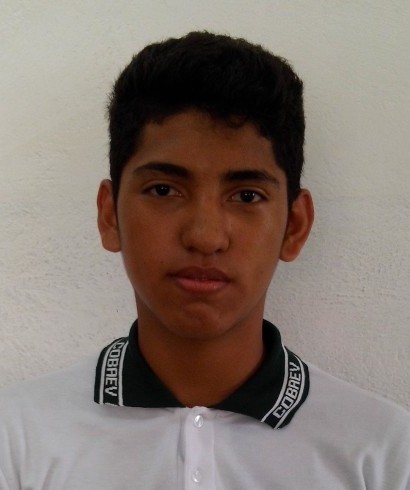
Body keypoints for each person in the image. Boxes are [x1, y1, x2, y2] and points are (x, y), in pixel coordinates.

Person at [1, 31, 409, 489]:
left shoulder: (384, 453)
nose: (205, 236)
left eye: (247, 195)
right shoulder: (16, 440)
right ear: (109, 215)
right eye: (164, 190)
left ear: (294, 226)